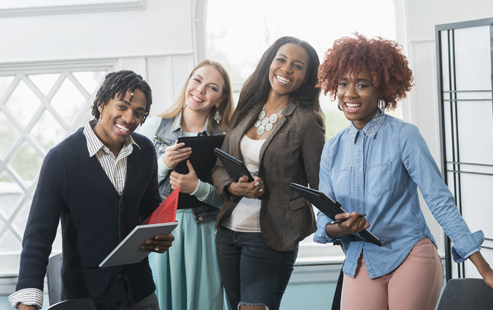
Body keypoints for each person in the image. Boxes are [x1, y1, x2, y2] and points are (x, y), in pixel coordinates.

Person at [314, 33, 493, 310]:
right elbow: (323, 220)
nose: (349, 93)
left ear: (382, 90)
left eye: (362, 84)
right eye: (343, 84)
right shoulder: (332, 149)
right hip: (361, 258)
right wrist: (340, 228)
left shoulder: (404, 136)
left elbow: (440, 202)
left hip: (410, 254)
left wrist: (485, 270)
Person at [9, 71, 175, 310]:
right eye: (122, 106)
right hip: (86, 299)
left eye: (139, 113)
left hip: (141, 294)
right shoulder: (62, 160)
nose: (129, 118)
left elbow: (149, 212)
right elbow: (38, 235)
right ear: (101, 103)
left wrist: (159, 235)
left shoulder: (145, 152)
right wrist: (28, 301)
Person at [212, 36, 325, 310]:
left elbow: (320, 183)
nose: (286, 70)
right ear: (270, 63)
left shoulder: (307, 120)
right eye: (281, 60)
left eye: (297, 66)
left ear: (308, 77)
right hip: (228, 233)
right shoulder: (247, 109)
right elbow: (219, 167)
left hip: (271, 235)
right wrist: (232, 187)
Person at [140, 59, 234, 310]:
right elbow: (133, 187)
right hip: (161, 230)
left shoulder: (226, 137)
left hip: (205, 231)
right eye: (197, 80)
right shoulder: (154, 126)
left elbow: (231, 198)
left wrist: (197, 188)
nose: (201, 90)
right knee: (164, 301)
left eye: (212, 87)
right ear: (188, 82)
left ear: (221, 99)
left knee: (205, 301)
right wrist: (163, 163)